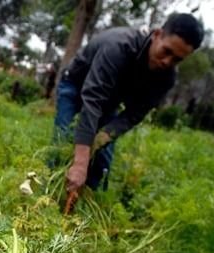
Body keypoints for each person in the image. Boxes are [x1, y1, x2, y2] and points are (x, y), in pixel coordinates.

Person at [51, 13, 204, 192]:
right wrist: (80, 163)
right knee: (62, 146)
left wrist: (102, 137)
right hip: (76, 86)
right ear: (157, 35)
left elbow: (135, 114)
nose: (167, 62)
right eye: (167, 51)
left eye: (177, 59)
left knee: (101, 168)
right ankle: (48, 196)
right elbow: (92, 100)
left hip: (109, 102)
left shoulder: (167, 78)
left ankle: (84, 204)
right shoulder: (118, 45)